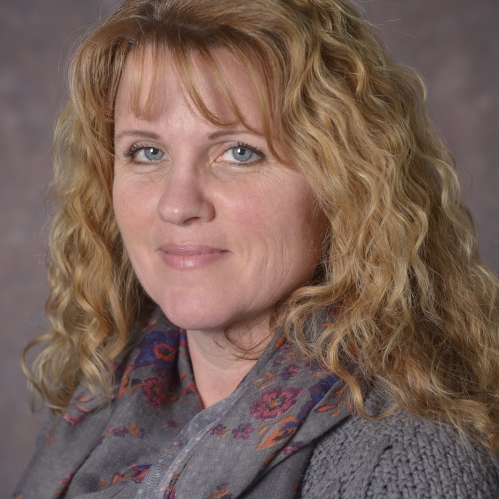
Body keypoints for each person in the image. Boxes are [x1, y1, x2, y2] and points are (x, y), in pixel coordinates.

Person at [14, 0, 499, 497]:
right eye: (148, 151)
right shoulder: (100, 402)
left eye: (239, 152)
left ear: (344, 183)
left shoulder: (407, 465)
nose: (177, 205)